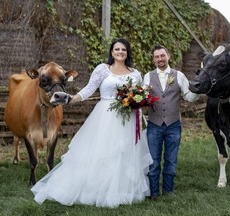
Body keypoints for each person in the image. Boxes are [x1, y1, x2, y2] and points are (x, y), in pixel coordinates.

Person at [31, 38, 153, 208]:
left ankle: (122, 190)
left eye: (123, 50)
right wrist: (72, 99)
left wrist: (137, 101)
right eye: (117, 49)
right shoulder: (103, 69)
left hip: (128, 118)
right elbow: (89, 89)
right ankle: (95, 189)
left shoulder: (135, 73)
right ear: (112, 52)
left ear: (127, 53)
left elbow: (139, 94)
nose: (120, 52)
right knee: (102, 153)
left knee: (123, 152)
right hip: (105, 116)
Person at [143, 44, 199, 199]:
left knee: (171, 161)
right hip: (154, 125)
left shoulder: (179, 75)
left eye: (162, 55)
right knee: (153, 161)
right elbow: (143, 96)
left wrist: (198, 92)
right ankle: (154, 193)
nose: (160, 59)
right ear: (153, 60)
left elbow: (188, 96)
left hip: (174, 125)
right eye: (157, 57)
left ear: (168, 56)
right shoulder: (148, 76)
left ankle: (168, 192)